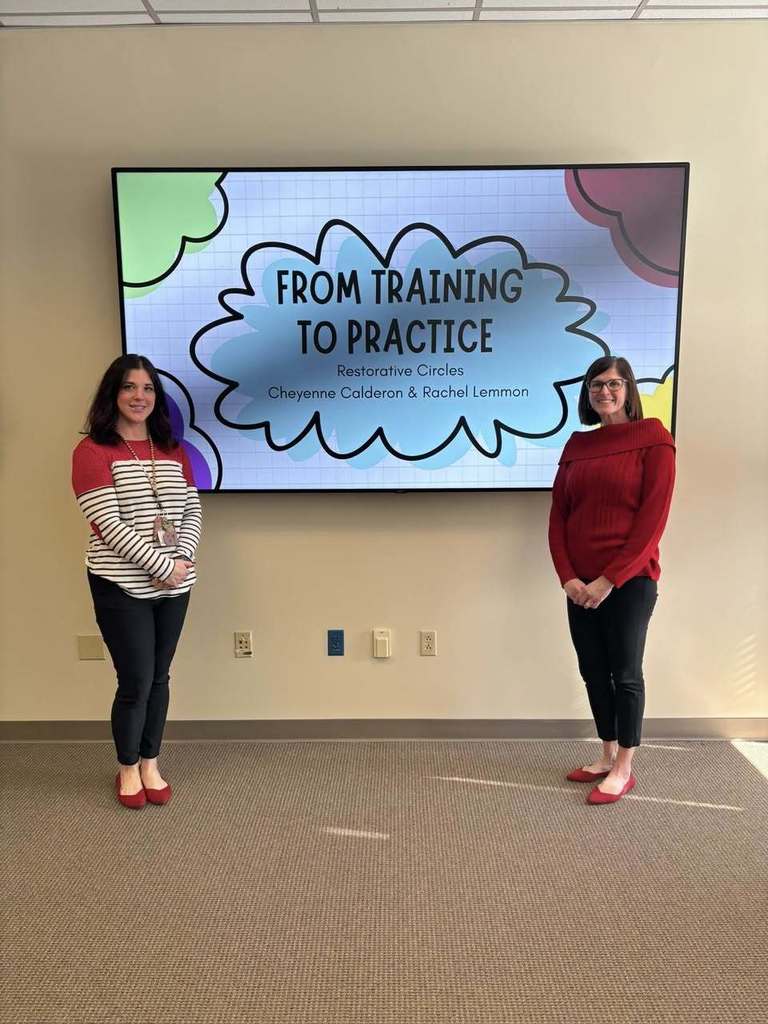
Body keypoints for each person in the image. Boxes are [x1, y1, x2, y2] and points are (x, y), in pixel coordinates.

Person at [72, 354, 202, 809]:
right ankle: (127, 767)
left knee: (160, 677)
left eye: (147, 388)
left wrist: (182, 558)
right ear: (113, 393)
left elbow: (191, 508)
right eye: (129, 387)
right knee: (136, 681)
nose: (139, 396)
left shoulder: (172, 448)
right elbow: (107, 524)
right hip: (121, 585)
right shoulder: (92, 451)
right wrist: (162, 566)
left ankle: (150, 762)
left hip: (175, 585)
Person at [548, 355, 675, 805]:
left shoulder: (654, 439)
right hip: (579, 586)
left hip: (629, 582)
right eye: (596, 384)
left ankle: (624, 767)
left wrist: (609, 580)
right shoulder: (577, 446)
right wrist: (568, 578)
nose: (605, 391)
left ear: (629, 390)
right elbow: (559, 518)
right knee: (592, 671)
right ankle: (605, 755)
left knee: (625, 673)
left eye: (614, 383)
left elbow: (652, 521)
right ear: (588, 394)